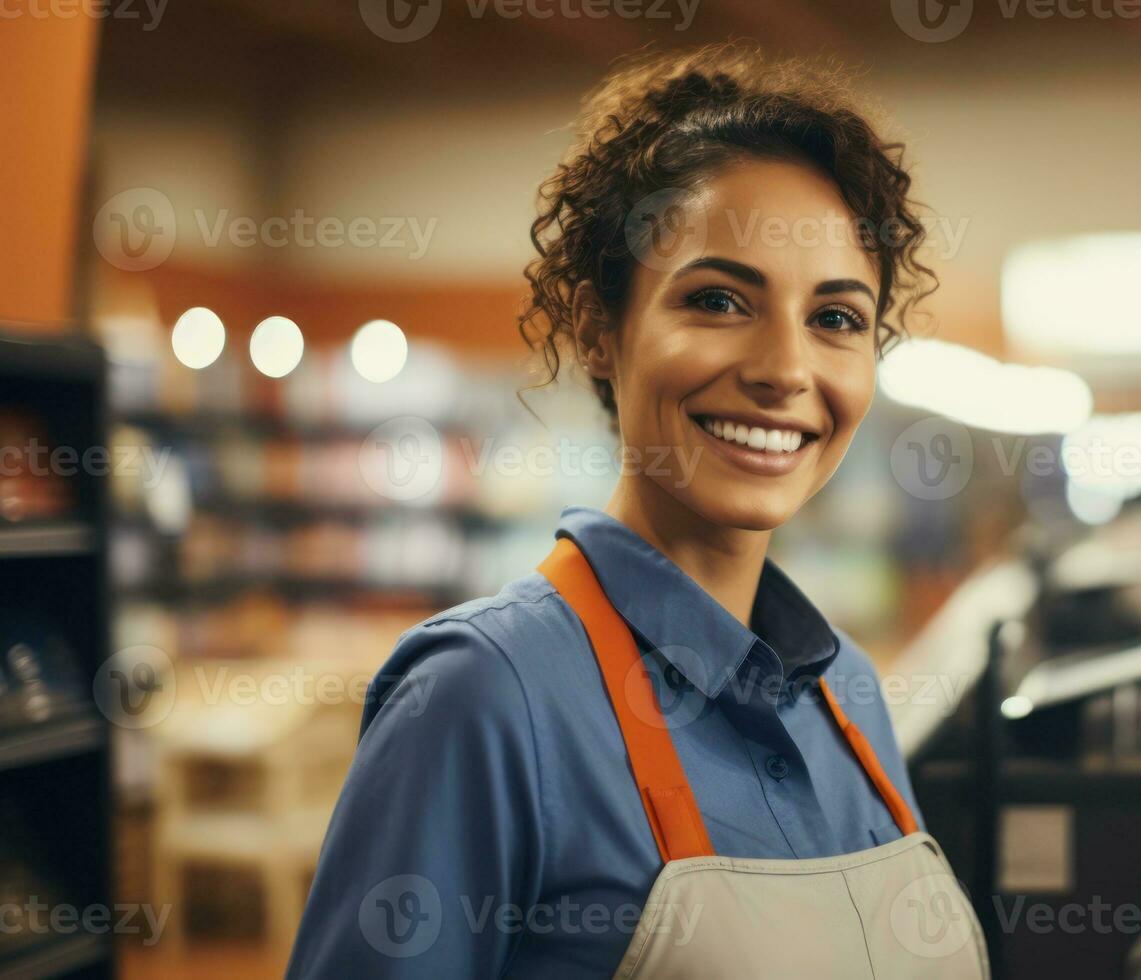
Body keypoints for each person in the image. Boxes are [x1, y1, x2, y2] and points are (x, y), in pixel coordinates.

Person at [287, 43, 987, 978]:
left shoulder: (846, 691)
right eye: (717, 299)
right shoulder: (485, 696)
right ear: (596, 328)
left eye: (836, 318)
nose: (786, 369)